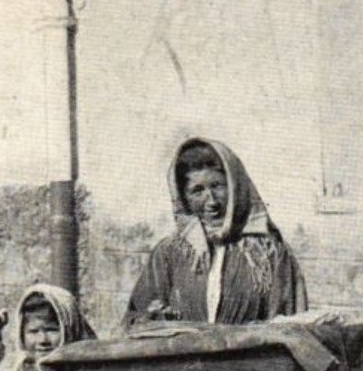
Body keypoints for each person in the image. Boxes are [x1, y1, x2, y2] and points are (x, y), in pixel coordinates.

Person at [125, 137, 310, 328]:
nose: (211, 201)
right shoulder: (168, 254)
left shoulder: (270, 252)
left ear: (235, 187)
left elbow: (292, 326)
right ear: (184, 198)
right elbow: (137, 319)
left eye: (217, 186)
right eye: (197, 191)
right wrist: (156, 320)